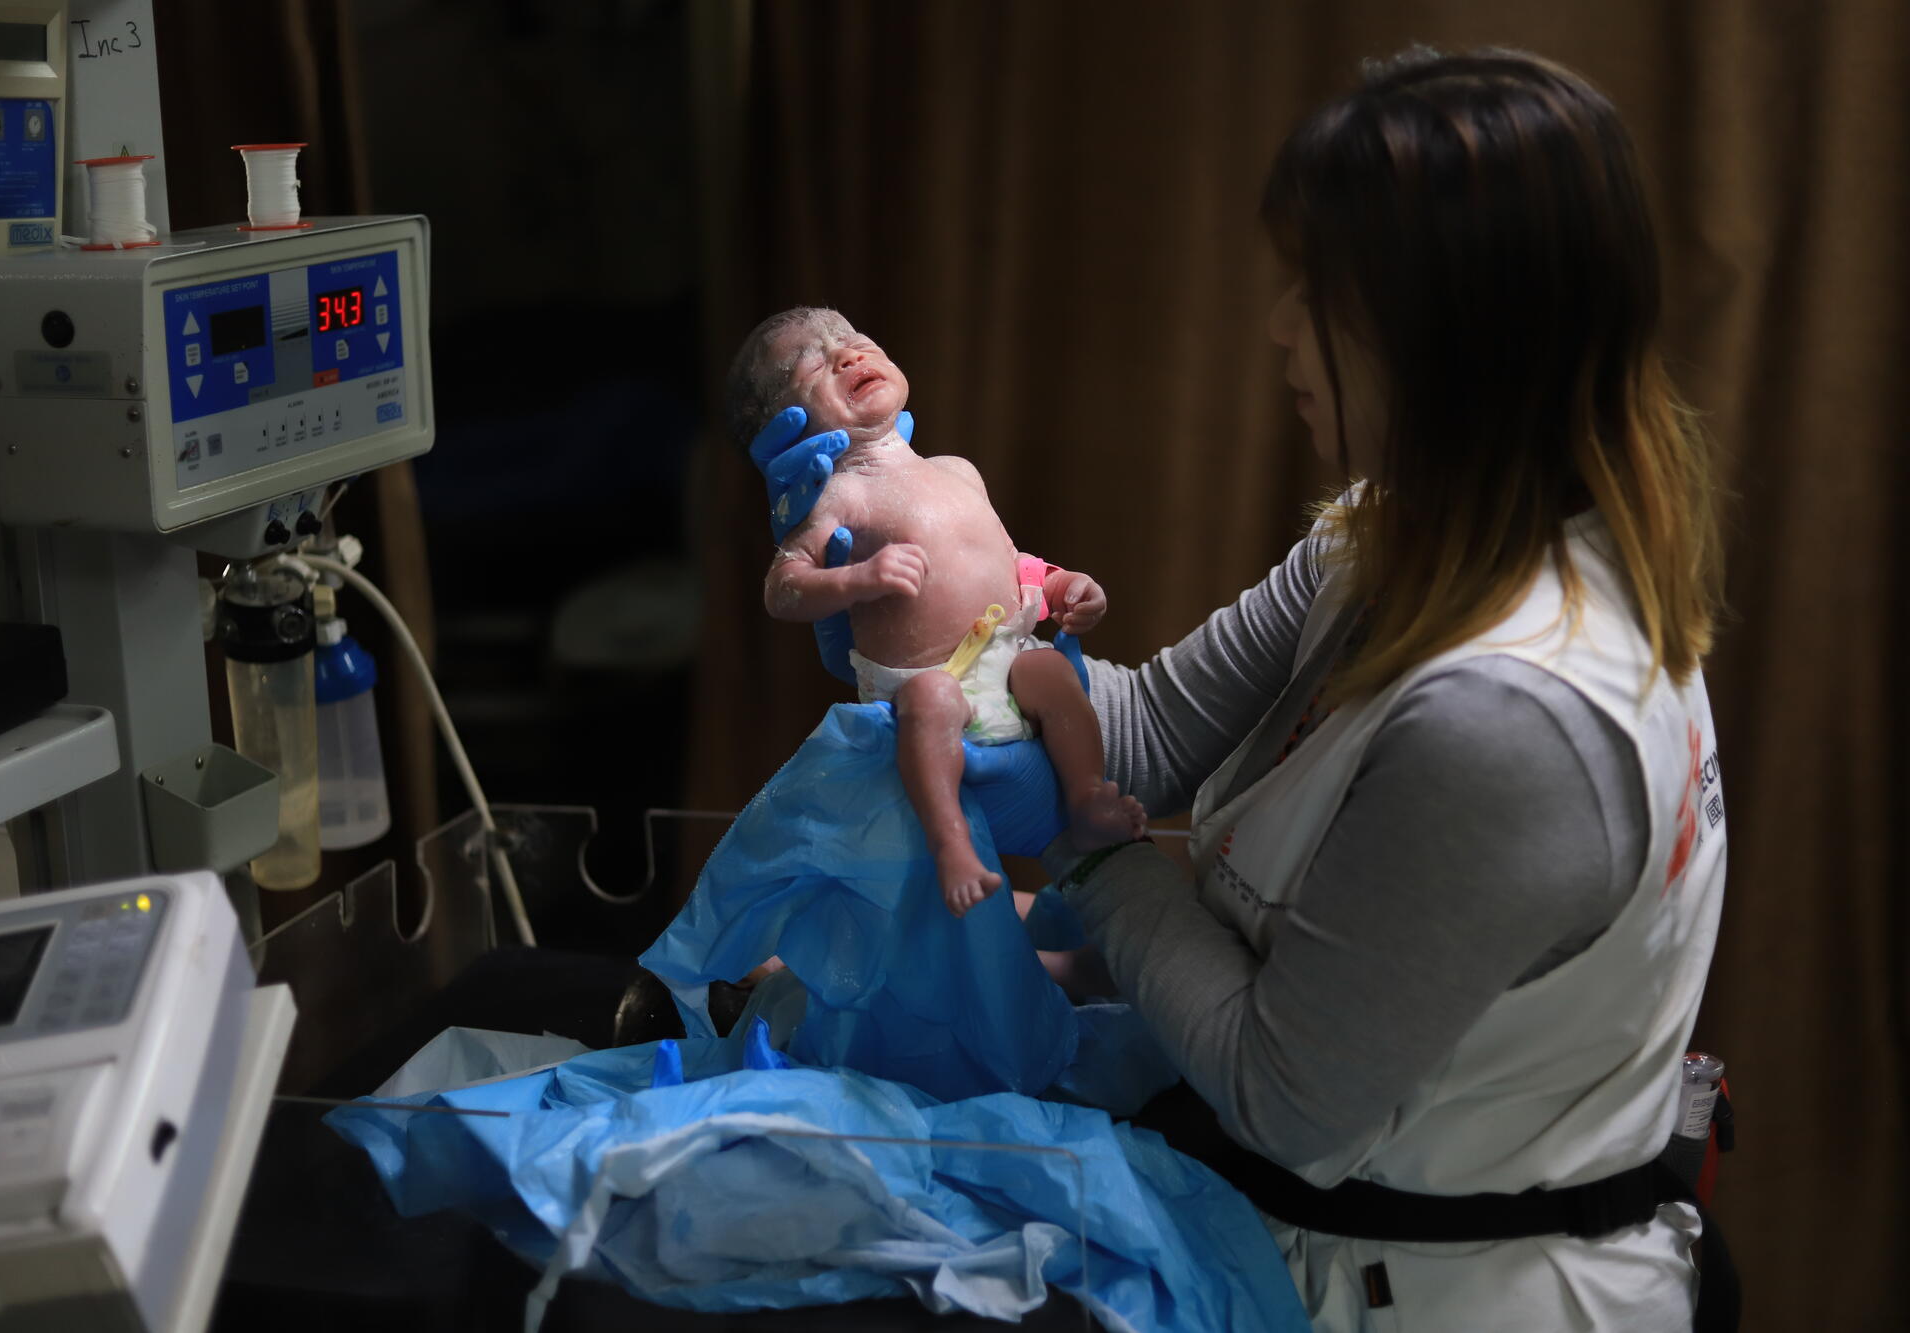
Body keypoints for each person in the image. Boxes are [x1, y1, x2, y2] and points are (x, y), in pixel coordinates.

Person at [757, 46, 1731, 1333]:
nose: (1277, 324)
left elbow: (1285, 1094)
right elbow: (1150, 729)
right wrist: (966, 651)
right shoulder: (1390, 529)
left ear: (1442, 338)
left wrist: (1095, 866)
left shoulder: (1513, 723)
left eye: (1317, 291)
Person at [728, 307, 1145, 917]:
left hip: (1005, 659)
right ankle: (951, 846)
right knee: (931, 706)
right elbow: (782, 587)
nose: (846, 355)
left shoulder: (956, 471)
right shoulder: (838, 494)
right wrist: (853, 579)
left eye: (855, 340)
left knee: (1052, 675)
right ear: (789, 427)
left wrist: (1060, 586)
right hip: (927, 682)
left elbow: (1006, 559)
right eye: (810, 362)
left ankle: (1086, 801)